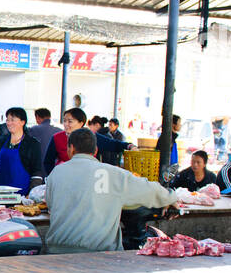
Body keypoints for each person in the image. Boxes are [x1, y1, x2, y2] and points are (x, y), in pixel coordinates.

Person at [45, 128, 177, 254]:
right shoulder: (112, 174)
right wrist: (171, 197)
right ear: (95, 150)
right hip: (100, 254)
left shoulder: (56, 173)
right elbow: (150, 190)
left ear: (71, 148)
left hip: (56, 251)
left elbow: (50, 205)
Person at [0, 106, 42, 192]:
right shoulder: (2, 141)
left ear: (22, 122)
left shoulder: (32, 143)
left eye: (12, 120)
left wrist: (31, 193)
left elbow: (37, 171)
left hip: (22, 194)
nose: (9, 123)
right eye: (7, 120)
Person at [43, 107, 88, 174]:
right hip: (63, 175)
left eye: (70, 121)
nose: (66, 124)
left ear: (81, 123)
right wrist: (54, 175)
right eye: (64, 121)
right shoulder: (57, 137)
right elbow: (48, 162)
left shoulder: (91, 137)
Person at [28, 108, 61, 175]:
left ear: (37, 117)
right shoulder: (60, 131)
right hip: (56, 168)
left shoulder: (33, 130)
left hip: (39, 168)